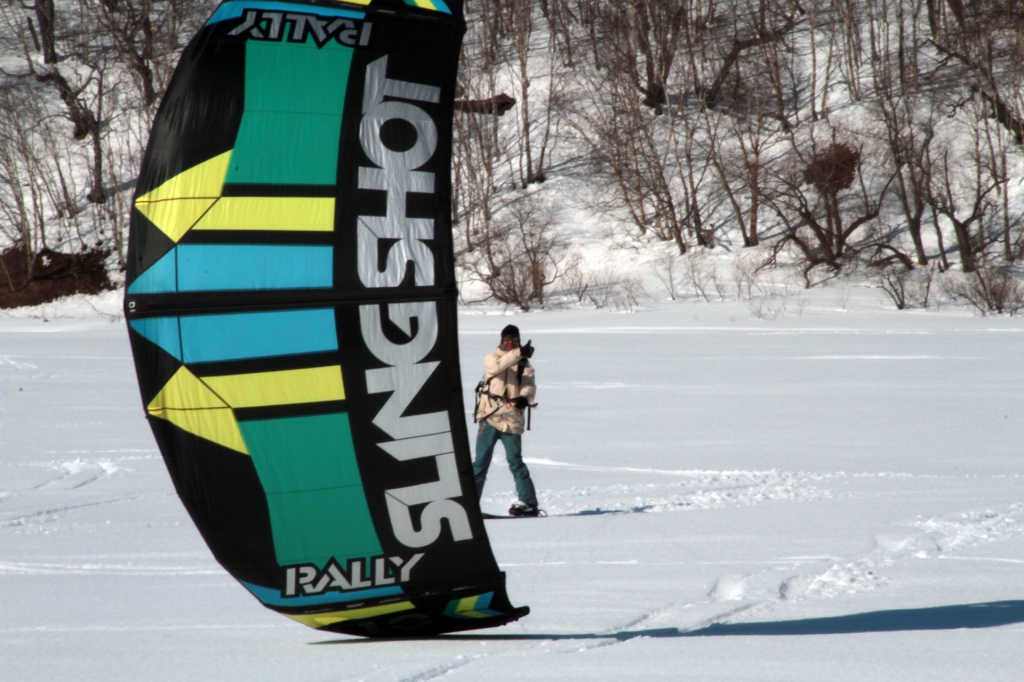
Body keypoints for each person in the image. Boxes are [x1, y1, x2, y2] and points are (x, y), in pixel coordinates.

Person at [473, 324, 540, 517]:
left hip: (511, 419)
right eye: (507, 339)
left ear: (519, 340)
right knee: (480, 462)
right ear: (502, 341)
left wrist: (524, 398)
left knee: (515, 462)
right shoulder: (492, 357)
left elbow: (529, 386)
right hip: (490, 416)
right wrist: (519, 353)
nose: (510, 343)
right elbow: (496, 367)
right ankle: (470, 501)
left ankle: (528, 502)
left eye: (514, 339)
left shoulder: (525, 365)